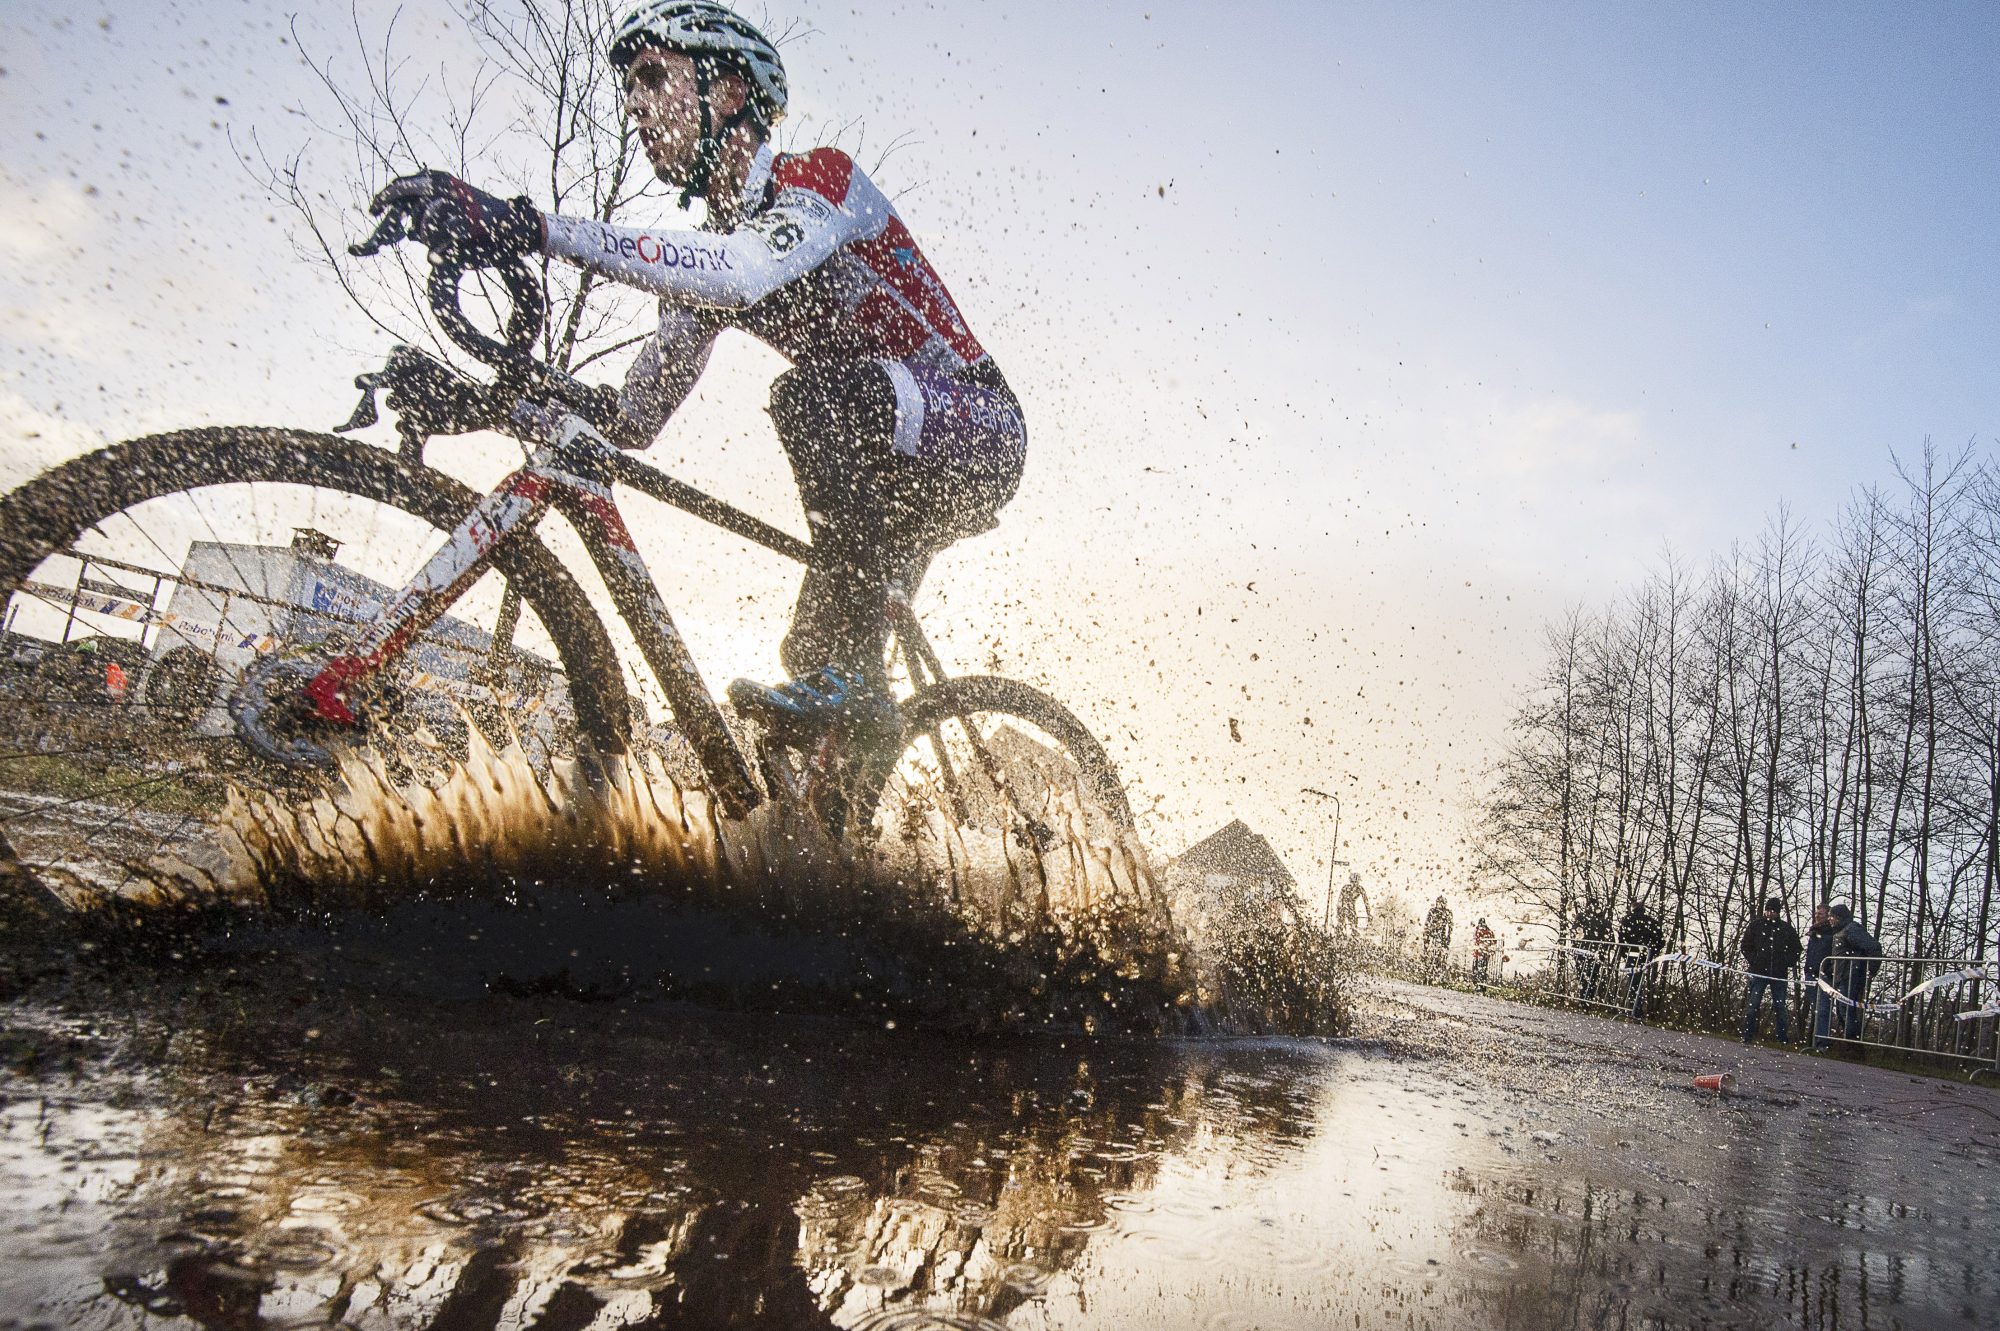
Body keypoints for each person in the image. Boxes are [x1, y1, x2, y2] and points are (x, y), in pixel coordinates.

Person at [364, 1, 1025, 746]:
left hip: (978, 427)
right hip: (883, 449)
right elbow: (633, 418)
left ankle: (863, 681)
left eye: (653, 77)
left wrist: (532, 227)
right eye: (630, 92)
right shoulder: (711, 258)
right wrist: (490, 401)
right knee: (808, 660)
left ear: (731, 93)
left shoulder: (819, 181)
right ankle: (846, 822)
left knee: (814, 400)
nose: (636, 106)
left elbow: (738, 274)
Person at [1738, 896, 1801, 1044]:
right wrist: (1754, 960)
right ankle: (1747, 1036)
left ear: (1778, 912)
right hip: (1758, 972)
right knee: (1753, 1005)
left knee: (1780, 1006)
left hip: (1779, 975)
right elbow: (1745, 945)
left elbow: (1796, 949)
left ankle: (1782, 1039)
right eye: (1767, 910)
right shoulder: (1756, 926)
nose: (1769, 913)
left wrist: (1786, 962)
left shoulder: (1786, 929)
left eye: (1772, 911)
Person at [1827, 902, 1884, 1042]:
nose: (1829, 919)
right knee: (1842, 1011)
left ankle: (1853, 1045)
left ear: (1839, 917)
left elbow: (1873, 946)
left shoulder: (1851, 929)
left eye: (1832, 916)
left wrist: (1872, 968)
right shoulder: (1841, 931)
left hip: (1851, 977)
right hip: (1843, 977)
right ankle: (1850, 1043)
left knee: (1847, 1011)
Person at [1618, 901, 1665, 1021]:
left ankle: (1634, 1011)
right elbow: (1661, 940)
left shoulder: (1627, 920)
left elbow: (1621, 939)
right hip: (1644, 956)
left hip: (1632, 954)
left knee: (1633, 983)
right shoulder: (1652, 922)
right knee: (1638, 984)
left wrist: (1624, 952)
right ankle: (1636, 1010)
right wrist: (1651, 952)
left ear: (1632, 909)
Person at [1801, 903, 1836, 1050]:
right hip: (1811, 974)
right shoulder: (1814, 932)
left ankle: (1822, 1044)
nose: (1817, 916)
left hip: (1825, 977)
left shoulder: (1832, 933)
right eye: (1816, 914)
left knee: (1823, 1010)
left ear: (1828, 916)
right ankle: (1813, 1042)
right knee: (1816, 1009)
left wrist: (1828, 970)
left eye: (1820, 914)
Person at [1420, 895, 1454, 981]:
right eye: (1438, 903)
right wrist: (1426, 935)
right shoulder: (1432, 911)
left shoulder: (1448, 912)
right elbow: (1427, 923)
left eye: (1441, 903)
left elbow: (1450, 926)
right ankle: (1426, 973)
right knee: (1428, 953)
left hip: (1441, 936)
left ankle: (1435, 974)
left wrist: (1448, 937)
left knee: (1440, 955)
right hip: (1431, 934)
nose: (1439, 905)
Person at [1471, 917, 1498, 989]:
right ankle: (1480, 984)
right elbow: (1493, 941)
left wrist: (1483, 946)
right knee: (1481, 969)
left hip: (1480, 953)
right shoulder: (1489, 931)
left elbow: (1476, 940)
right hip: (1482, 953)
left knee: (1478, 969)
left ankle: (1478, 984)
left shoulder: (1478, 930)